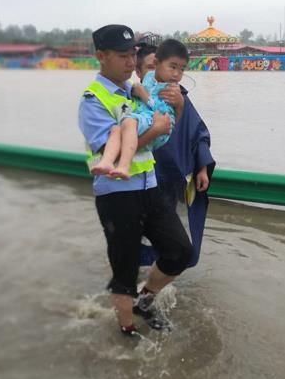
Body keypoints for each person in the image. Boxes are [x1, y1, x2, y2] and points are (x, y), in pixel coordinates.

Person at [78, 24, 193, 337]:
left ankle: (146, 300)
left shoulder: (138, 90)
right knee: (124, 268)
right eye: (122, 56)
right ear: (101, 57)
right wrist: (154, 130)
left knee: (180, 251)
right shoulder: (93, 99)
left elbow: (164, 130)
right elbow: (108, 152)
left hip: (150, 186)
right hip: (117, 194)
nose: (131, 63)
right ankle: (126, 330)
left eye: (133, 56)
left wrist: (177, 110)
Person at [135, 46, 215, 268]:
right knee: (138, 235)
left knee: (174, 236)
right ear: (139, 71)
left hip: (173, 178)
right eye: (151, 67)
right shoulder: (132, 98)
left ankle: (161, 278)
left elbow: (197, 133)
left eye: (177, 69)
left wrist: (201, 168)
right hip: (142, 180)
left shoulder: (180, 97)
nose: (170, 74)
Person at [89, 39, 188, 180]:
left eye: (181, 69)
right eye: (172, 67)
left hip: (155, 122)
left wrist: (144, 96)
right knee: (116, 129)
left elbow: (163, 113)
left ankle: (123, 166)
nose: (177, 74)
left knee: (128, 122)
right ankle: (106, 162)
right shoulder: (145, 80)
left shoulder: (172, 89)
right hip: (145, 121)